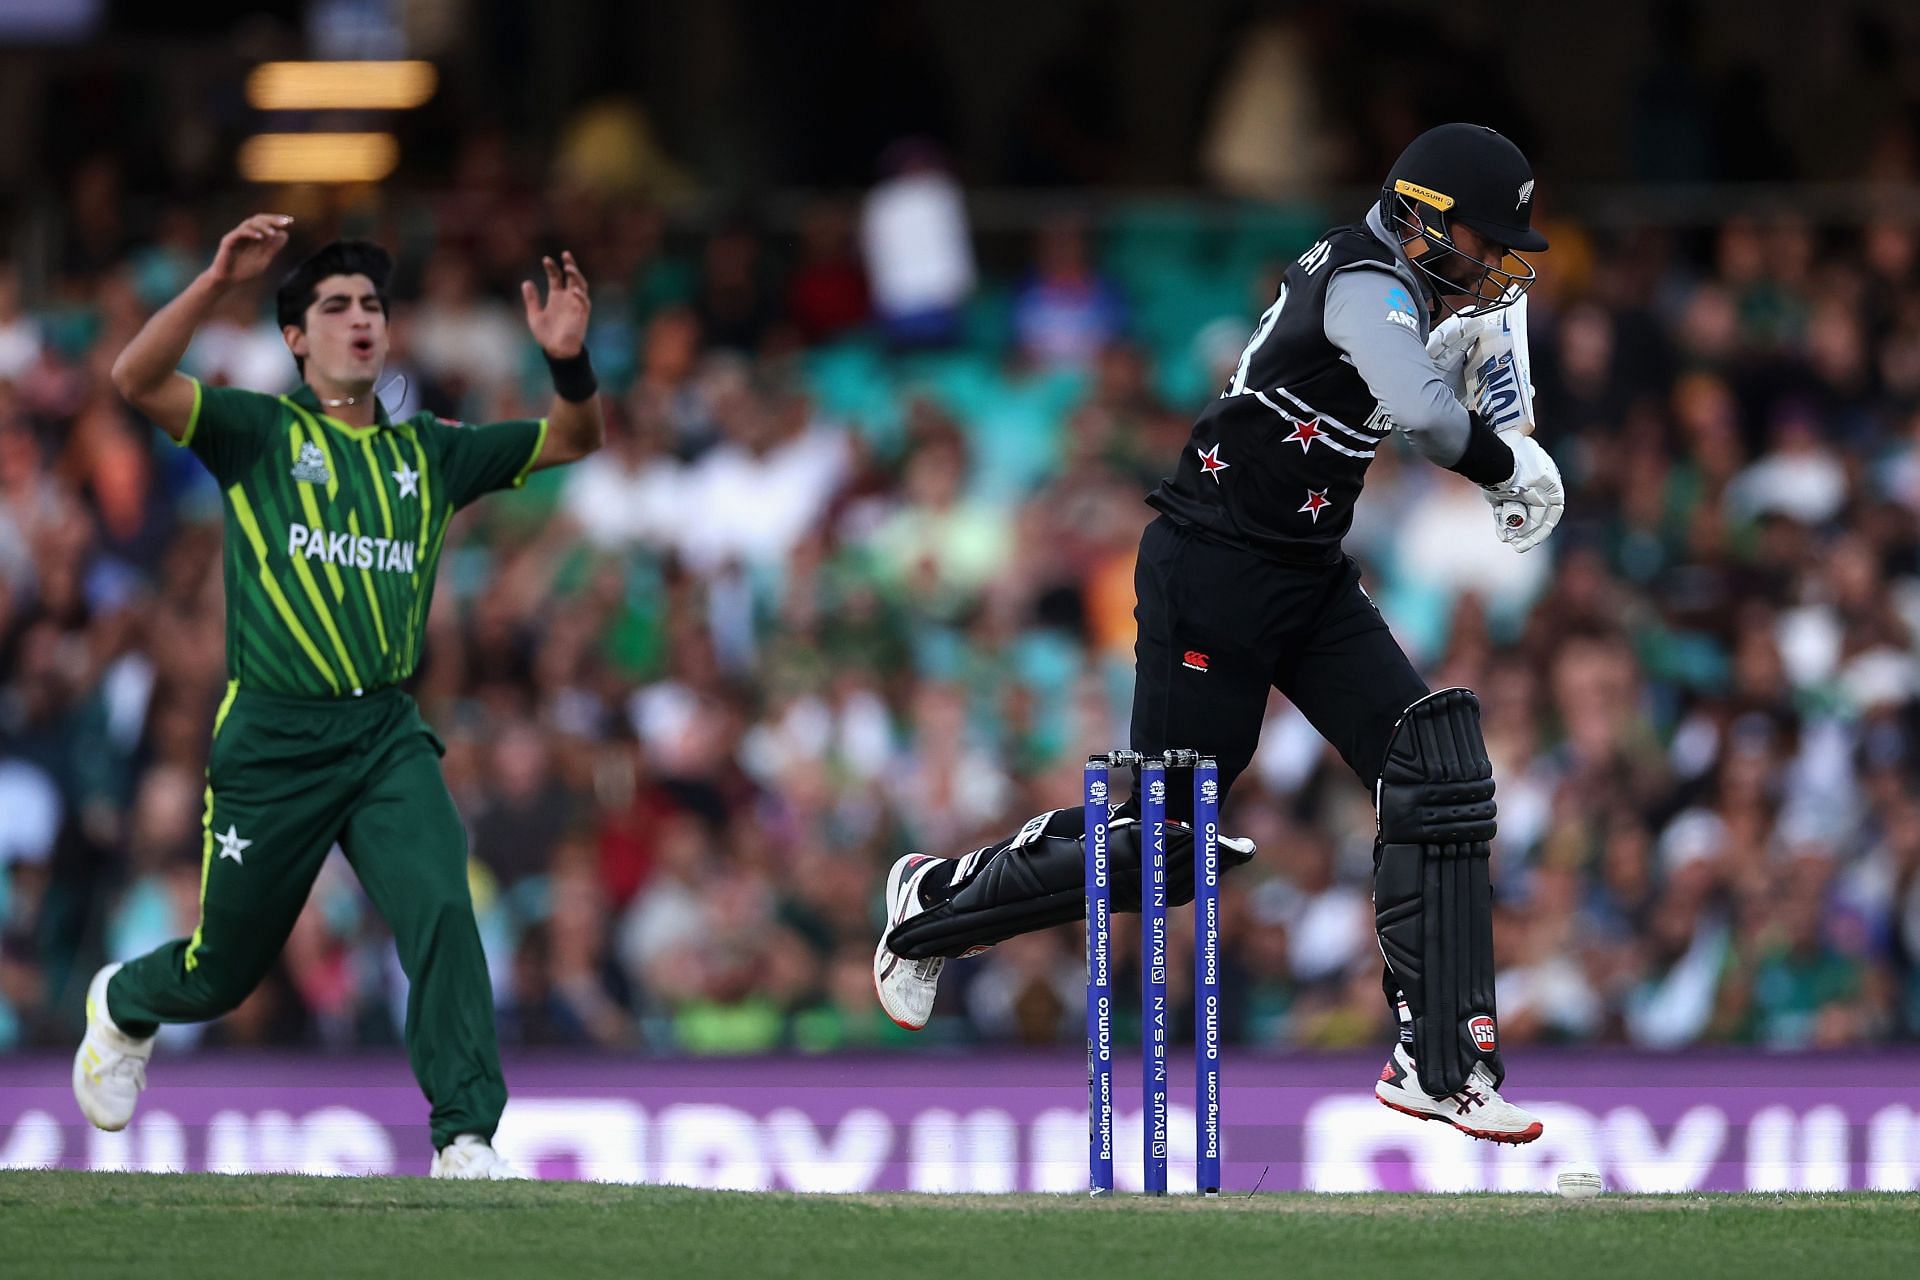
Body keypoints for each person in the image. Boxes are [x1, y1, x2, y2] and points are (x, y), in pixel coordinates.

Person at [874, 124, 1563, 1144]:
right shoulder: (1366, 283)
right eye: (1475, 237)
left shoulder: (1405, 293)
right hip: (1212, 570)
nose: (1487, 263)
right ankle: (931, 903)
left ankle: (1442, 1058)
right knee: (1165, 848)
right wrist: (1506, 463)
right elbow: (1420, 412)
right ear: (1416, 216)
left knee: (1438, 761)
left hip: (1306, 574)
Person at [72, 214, 605, 1178]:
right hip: (273, 738)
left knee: (443, 903)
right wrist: (213, 279)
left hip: (385, 734)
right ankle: (125, 1003)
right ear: (294, 336)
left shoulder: (429, 455)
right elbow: (133, 381)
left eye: (371, 305)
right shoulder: (259, 431)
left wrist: (568, 361)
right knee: (223, 973)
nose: (359, 319)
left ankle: (465, 1137)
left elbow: (578, 434)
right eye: (334, 306)